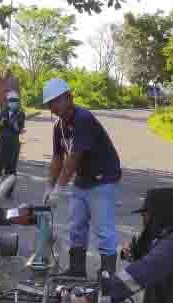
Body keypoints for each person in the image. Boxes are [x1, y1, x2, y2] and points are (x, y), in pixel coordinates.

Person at [41, 78, 123, 278]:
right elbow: (58, 158)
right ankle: (77, 269)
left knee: (103, 229)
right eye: (50, 104)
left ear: (69, 98)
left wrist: (59, 188)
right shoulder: (59, 127)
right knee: (76, 224)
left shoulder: (83, 119)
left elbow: (74, 158)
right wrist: (48, 186)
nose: (53, 107)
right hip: (83, 180)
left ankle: (107, 275)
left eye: (56, 101)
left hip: (103, 178)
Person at [0, 91, 26, 176]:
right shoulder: (3, 111)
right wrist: (2, 122)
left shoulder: (20, 113)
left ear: (17, 102)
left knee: (11, 167)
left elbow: (19, 128)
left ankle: (10, 182)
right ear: (7, 101)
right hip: (2, 140)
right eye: (11, 100)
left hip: (13, 142)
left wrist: (15, 125)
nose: (13, 102)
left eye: (15, 100)